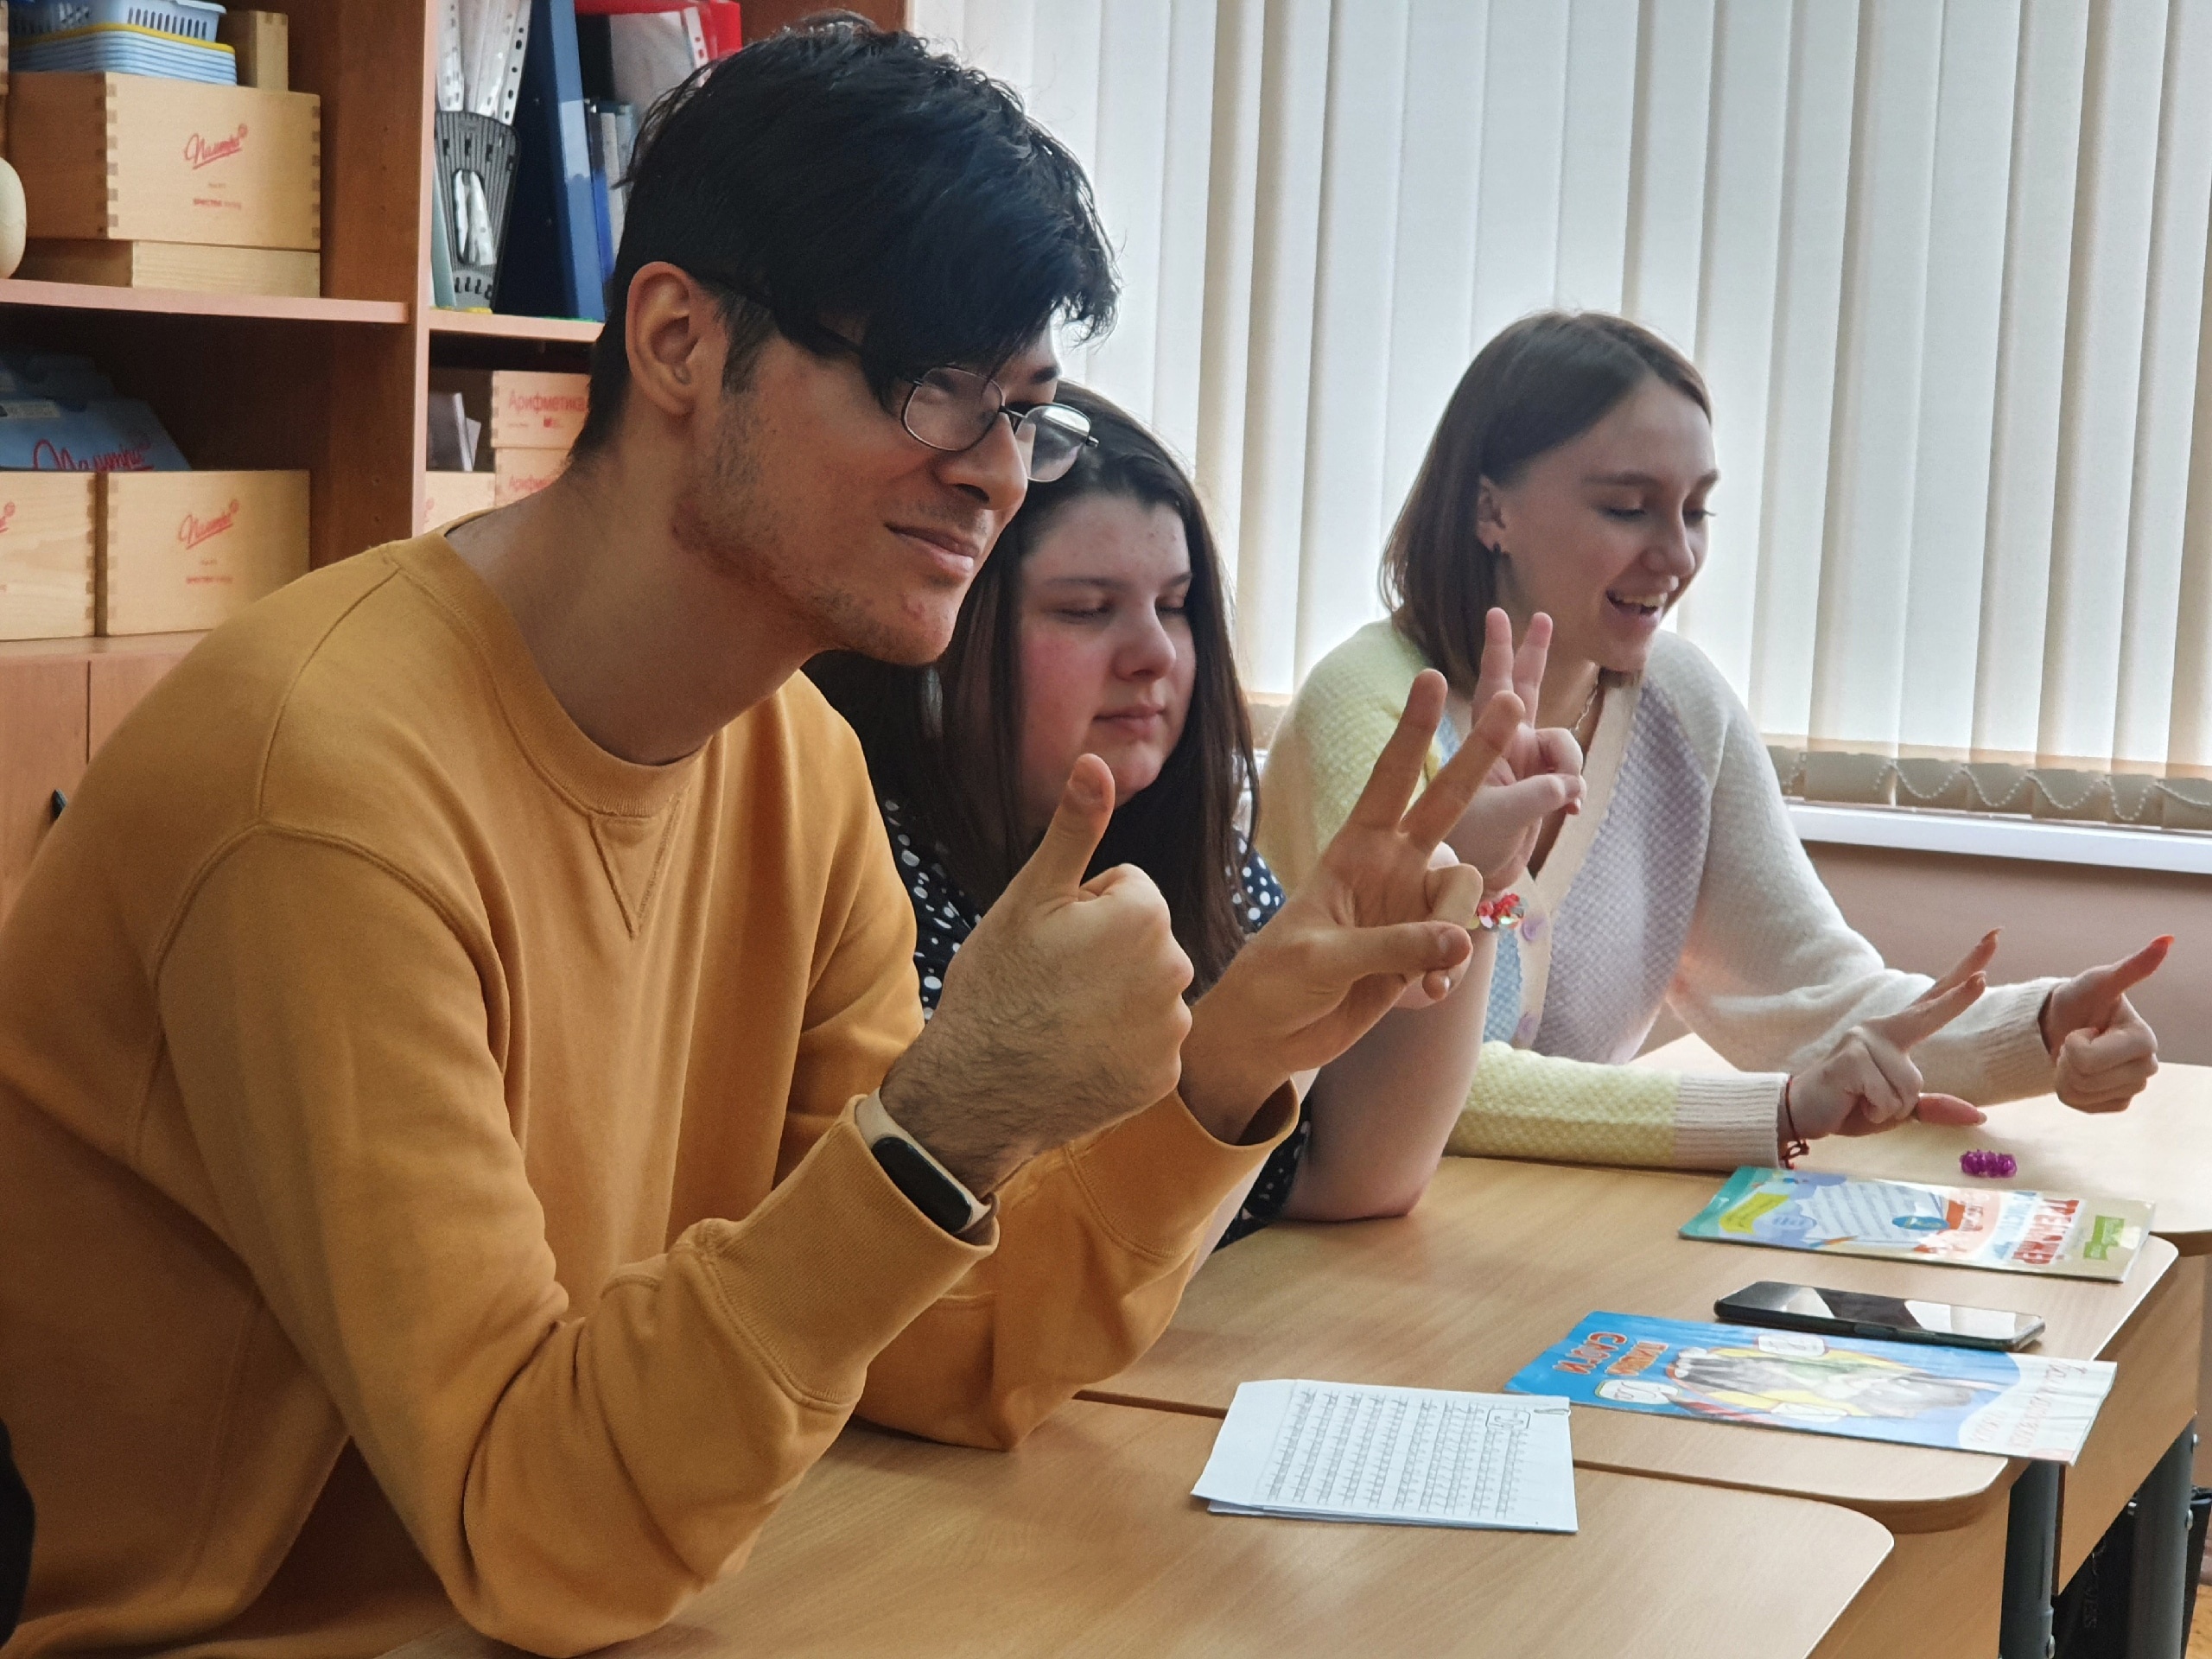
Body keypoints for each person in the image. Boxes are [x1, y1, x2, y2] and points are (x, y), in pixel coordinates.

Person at [0, 28, 1521, 1658]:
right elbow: (538, 1529)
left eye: (1024, 410)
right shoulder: (323, 794)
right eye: (931, 380)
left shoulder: (794, 761)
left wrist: (1232, 1059)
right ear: (678, 340)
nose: (993, 475)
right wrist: (944, 1119)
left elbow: (943, 1348)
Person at [1262, 309, 2168, 1183]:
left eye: (1695, 512)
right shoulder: (1373, 710)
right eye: (1628, 508)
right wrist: (1777, 1110)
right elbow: (1420, 1097)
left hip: (1540, 1228)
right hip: (1325, 1239)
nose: (1677, 555)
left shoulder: (1680, 702)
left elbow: (1811, 997)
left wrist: (2044, 1027)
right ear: (1490, 510)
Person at [812, 388, 1580, 1240]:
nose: (1153, 654)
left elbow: (1348, 1173)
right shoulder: (856, 856)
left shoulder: (1192, 851)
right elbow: (996, 1262)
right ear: (944, 626)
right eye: (1086, 609)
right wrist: (1241, 1044)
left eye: (1175, 605)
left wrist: (1468, 878)